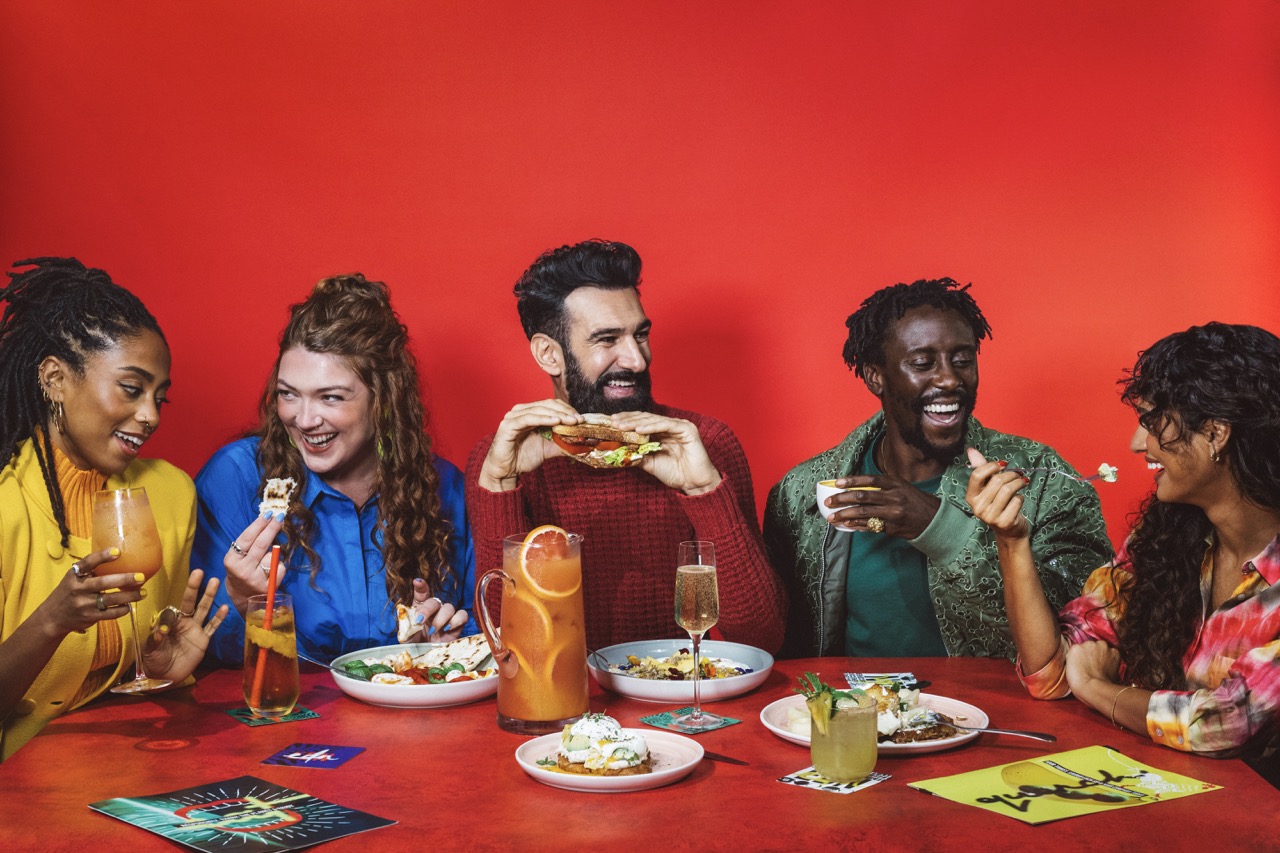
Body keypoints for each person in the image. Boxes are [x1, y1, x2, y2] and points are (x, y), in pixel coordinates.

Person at [967, 322, 1280, 759]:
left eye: (1152, 423)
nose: (1138, 444)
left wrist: (1100, 690)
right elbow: (1052, 674)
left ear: (1215, 433)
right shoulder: (1166, 540)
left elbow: (1222, 724)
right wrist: (1012, 540)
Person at [765, 278, 1112, 659]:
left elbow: (1082, 640)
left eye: (963, 360)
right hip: (854, 714)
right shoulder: (800, 494)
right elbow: (779, 645)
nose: (949, 379)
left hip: (992, 717)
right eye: (922, 363)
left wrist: (941, 529)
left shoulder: (1044, 479)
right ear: (874, 376)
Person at [466, 240, 786, 652]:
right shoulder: (500, 459)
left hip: (678, 700)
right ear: (549, 354)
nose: (636, 359)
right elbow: (509, 647)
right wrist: (501, 485)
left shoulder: (704, 442)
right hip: (567, 707)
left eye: (641, 334)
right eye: (607, 339)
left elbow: (764, 638)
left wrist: (704, 491)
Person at [0, 257, 226, 760]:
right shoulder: (5, 506)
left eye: (159, 399)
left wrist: (169, 672)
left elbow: (139, 684)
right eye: (131, 388)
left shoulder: (168, 493)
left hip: (131, 768)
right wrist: (50, 622)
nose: (149, 416)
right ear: (55, 378)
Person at [194, 274, 476, 665]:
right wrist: (248, 607)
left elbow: (487, 630)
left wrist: (442, 646)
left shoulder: (445, 489)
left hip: (411, 717)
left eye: (330, 397)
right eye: (288, 394)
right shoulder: (236, 478)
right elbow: (199, 653)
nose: (304, 419)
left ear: (384, 399)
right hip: (285, 720)